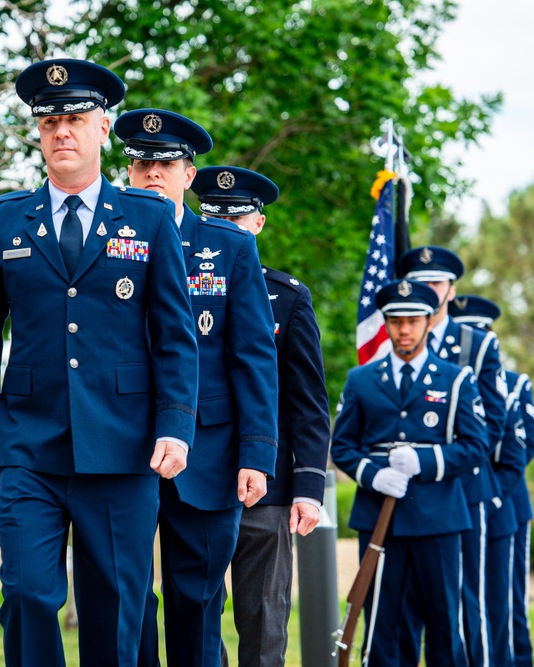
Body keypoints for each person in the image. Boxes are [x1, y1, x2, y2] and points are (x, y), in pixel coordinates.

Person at [0, 61, 200, 667]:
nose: (61, 132)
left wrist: (175, 425)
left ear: (102, 128)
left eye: (74, 120)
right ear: (39, 133)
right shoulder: (2, 221)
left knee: (116, 603)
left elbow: (175, 335)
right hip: (28, 446)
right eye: (50, 122)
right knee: (27, 595)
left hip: (123, 446)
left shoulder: (147, 218)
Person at [113, 109, 279, 667]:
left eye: (165, 163)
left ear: (189, 174)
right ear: (128, 171)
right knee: (126, 598)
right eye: (141, 162)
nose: (151, 172)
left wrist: (257, 454)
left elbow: (254, 358)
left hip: (208, 455)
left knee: (198, 599)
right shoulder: (106, 238)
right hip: (122, 447)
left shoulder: (228, 246)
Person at [190, 165, 331, 667]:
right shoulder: (176, 286)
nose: (228, 228)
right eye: (215, 218)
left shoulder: (287, 298)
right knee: (198, 615)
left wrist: (310, 486)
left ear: (258, 225)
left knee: (264, 622)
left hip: (267, 487)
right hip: (195, 478)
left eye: (238, 218)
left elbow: (308, 402)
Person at [330, 279, 488, 667]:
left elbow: (476, 447)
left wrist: (426, 461)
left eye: (413, 321)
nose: (404, 330)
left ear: (428, 322)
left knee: (443, 624)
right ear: (385, 322)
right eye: (396, 321)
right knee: (382, 625)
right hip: (381, 519)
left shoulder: (455, 379)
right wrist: (371, 474)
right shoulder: (361, 379)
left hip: (438, 520)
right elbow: (343, 446)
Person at [397, 246, 508, 667]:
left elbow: (492, 422)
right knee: (402, 607)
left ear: (451, 289)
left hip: (460, 491)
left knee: (461, 606)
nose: (429, 289)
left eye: (437, 283)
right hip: (403, 494)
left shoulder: (476, 345)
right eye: (420, 283)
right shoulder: (395, 338)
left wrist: (446, 464)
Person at [451, 294, 534, 667]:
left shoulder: (515, 384)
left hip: (502, 505)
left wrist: (492, 497)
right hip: (458, 501)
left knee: (505, 602)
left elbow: (522, 448)